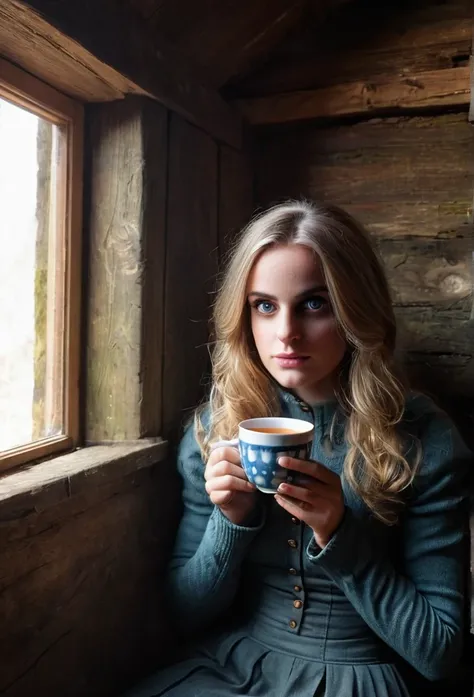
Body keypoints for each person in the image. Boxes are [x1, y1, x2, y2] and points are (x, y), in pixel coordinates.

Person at [126, 200, 471, 697]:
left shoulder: (424, 438)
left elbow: (439, 653)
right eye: (264, 305)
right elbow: (185, 614)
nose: (285, 332)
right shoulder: (217, 428)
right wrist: (231, 520)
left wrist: (338, 533)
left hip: (365, 679)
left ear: (356, 307)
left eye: (314, 303)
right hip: (234, 668)